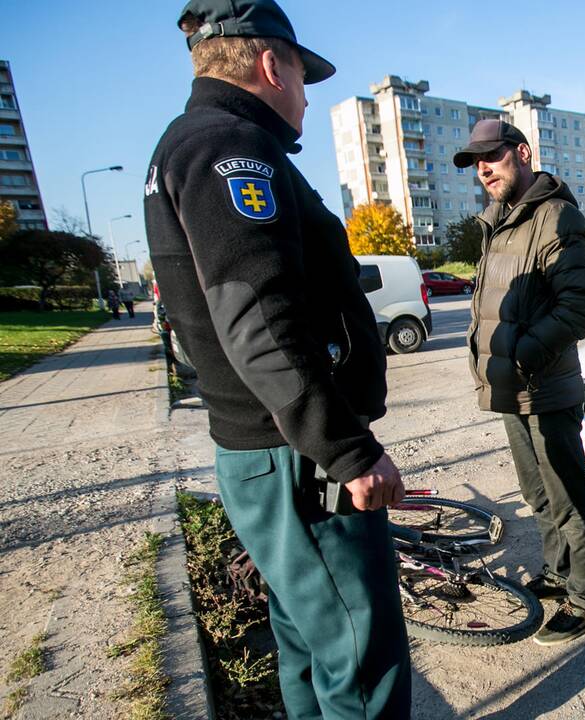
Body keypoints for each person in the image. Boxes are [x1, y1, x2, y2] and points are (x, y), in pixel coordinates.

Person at [143, 1, 410, 716]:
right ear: (270, 64)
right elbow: (258, 321)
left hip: (272, 454)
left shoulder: (192, 144)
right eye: (300, 73)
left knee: (307, 644)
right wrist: (349, 452)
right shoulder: (229, 150)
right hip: (300, 461)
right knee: (361, 662)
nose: (303, 91)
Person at [454, 120, 585, 646]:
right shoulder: (499, 222)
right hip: (510, 388)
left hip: (544, 387)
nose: (483, 169)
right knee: (537, 493)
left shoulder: (555, 216)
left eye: (491, 156)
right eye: (476, 162)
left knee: (567, 493)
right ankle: (559, 570)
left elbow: (582, 308)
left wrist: (522, 354)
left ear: (522, 152)